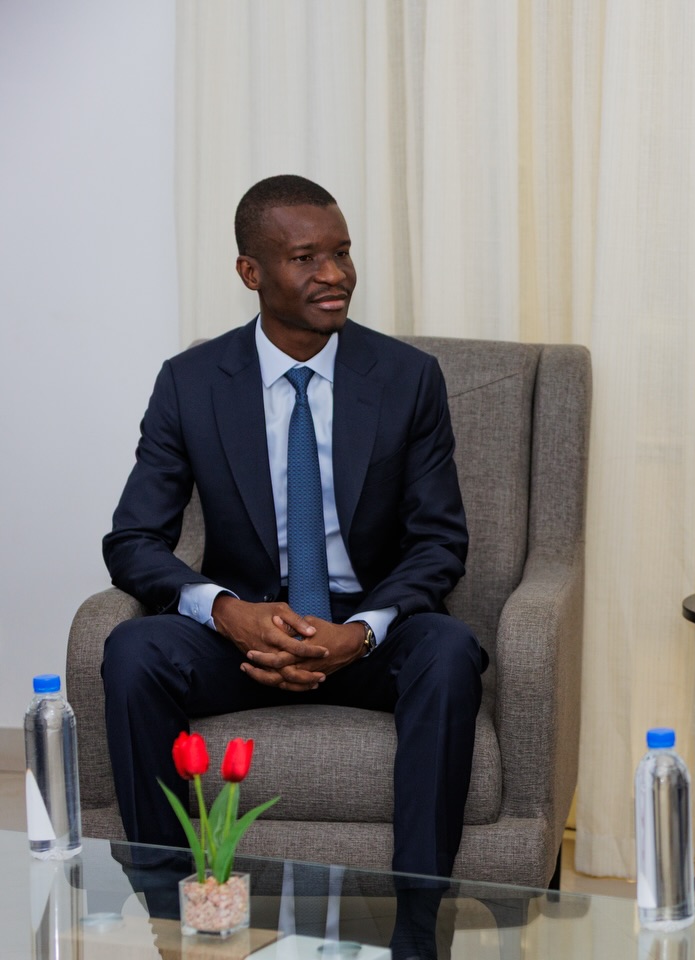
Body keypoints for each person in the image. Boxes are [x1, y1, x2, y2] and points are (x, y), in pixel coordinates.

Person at [101, 176, 485, 903]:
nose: (335, 274)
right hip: (242, 632)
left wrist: (363, 631)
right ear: (251, 272)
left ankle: (417, 915)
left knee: (449, 650)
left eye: (341, 253)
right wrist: (224, 611)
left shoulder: (407, 379)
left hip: (361, 630)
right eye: (307, 258)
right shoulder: (191, 383)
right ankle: (172, 903)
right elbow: (132, 540)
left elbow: (438, 542)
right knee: (131, 652)